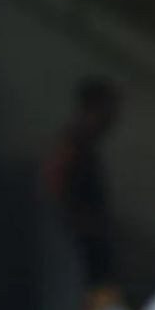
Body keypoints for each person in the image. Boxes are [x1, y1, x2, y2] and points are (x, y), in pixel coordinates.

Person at [43, 77, 121, 287]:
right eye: (107, 110)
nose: (112, 119)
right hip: (70, 247)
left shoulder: (86, 150)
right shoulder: (71, 148)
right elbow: (53, 194)